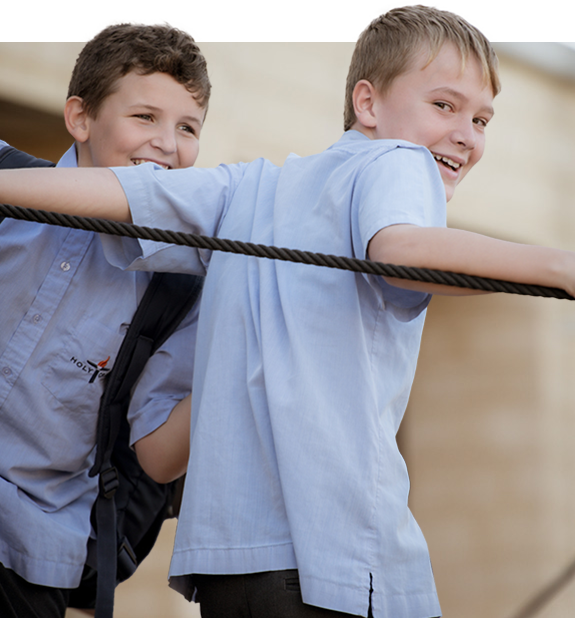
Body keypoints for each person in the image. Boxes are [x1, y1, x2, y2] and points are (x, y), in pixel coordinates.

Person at [2, 4, 575, 617]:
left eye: (482, 118)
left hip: (229, 566)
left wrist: (250, 361)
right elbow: (400, 249)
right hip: (337, 562)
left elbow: (157, 451)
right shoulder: (398, 161)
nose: (467, 133)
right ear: (368, 104)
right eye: (445, 105)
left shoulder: (244, 189)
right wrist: (560, 266)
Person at [0, 21, 210, 618]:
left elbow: (156, 461)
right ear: (81, 118)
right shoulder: (8, 190)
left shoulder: (182, 289)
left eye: (188, 127)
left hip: (30, 556)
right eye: (145, 118)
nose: (168, 144)